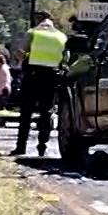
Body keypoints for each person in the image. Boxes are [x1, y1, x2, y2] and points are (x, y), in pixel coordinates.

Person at [14, 11, 66, 157]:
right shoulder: (61, 36)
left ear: (38, 19)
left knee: (26, 112)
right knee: (46, 112)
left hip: (32, 75)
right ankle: (42, 146)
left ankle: (21, 147)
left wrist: (24, 58)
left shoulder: (33, 33)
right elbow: (64, 58)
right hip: (51, 77)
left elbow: (20, 53)